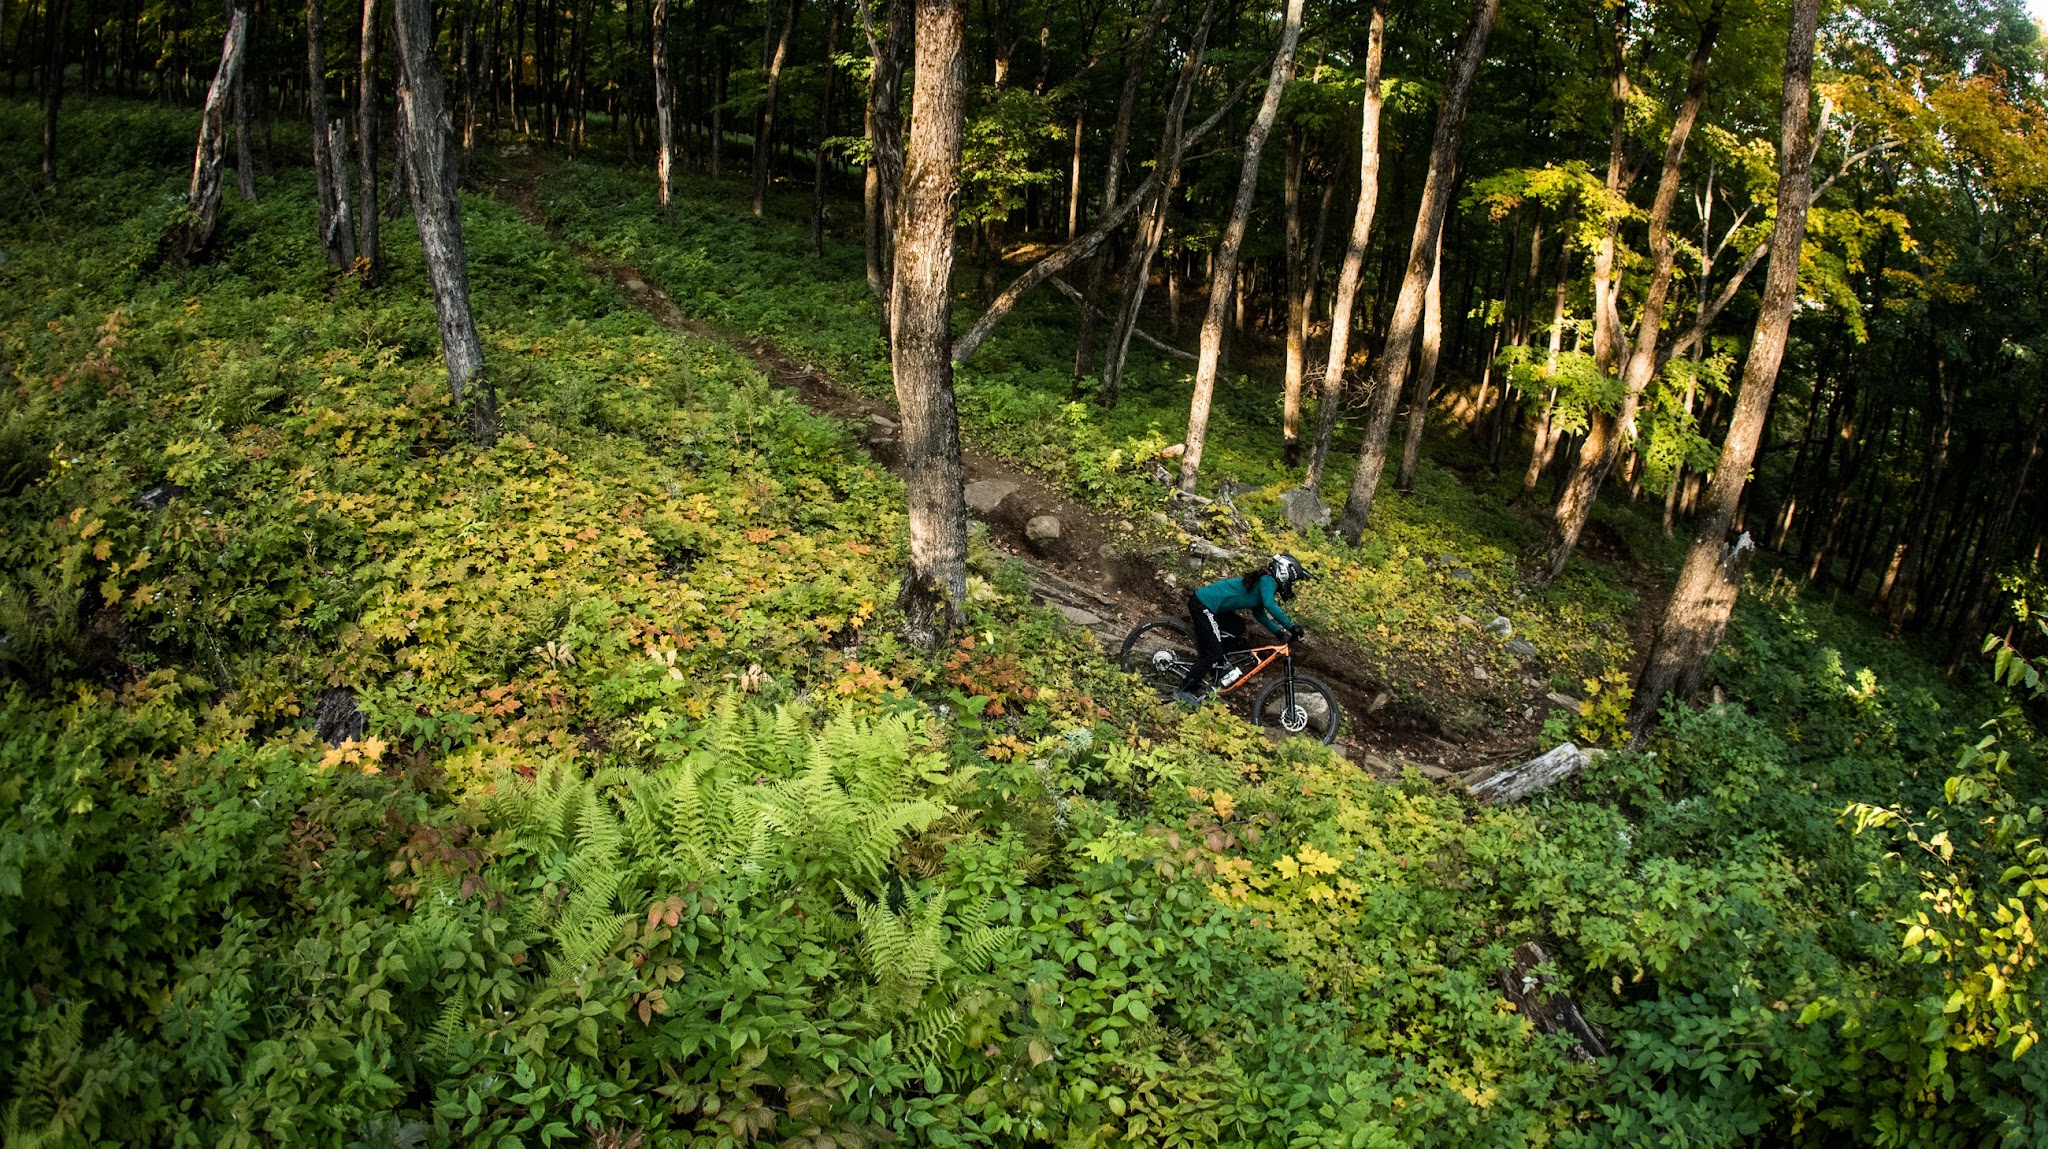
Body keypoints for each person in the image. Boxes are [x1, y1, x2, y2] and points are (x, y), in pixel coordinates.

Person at [1174, 553, 1311, 706]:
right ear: (1284, 572)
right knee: (1212, 653)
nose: (1290, 584)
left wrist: (1278, 631)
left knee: (1237, 626)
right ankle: (1184, 689)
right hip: (1204, 604)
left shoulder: (1264, 581)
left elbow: (1259, 614)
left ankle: (1218, 666)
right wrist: (1291, 626)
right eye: (1291, 580)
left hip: (1214, 607)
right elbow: (1270, 604)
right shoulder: (1268, 580)